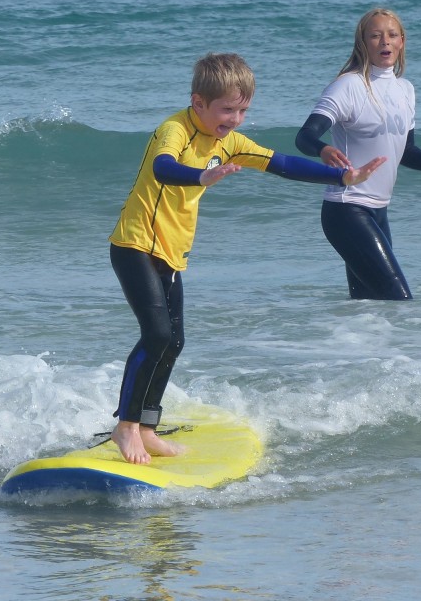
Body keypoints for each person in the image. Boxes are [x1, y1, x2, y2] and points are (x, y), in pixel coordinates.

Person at [108, 52, 385, 464]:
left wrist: (342, 177)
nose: (235, 119)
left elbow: (283, 164)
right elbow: (164, 168)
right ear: (198, 102)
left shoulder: (229, 142)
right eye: (227, 109)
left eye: (243, 110)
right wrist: (200, 176)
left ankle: (147, 427)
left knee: (175, 341)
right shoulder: (175, 130)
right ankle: (125, 427)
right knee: (157, 336)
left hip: (170, 251)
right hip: (135, 245)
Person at [295, 8, 421, 300]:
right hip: (347, 209)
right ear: (363, 43)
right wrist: (324, 149)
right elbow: (304, 137)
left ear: (402, 41)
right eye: (376, 36)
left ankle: (360, 347)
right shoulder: (349, 86)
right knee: (398, 300)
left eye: (392, 35)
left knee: (370, 308)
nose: (385, 42)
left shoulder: (405, 90)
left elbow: (405, 152)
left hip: (379, 211)